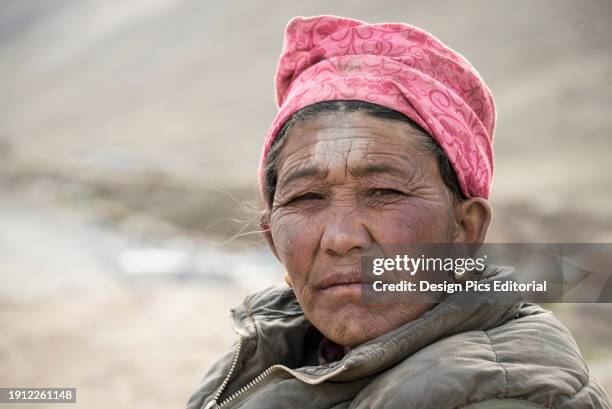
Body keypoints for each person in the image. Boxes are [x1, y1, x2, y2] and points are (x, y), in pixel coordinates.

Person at [187, 15, 611, 409]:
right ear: (273, 239)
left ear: (465, 228)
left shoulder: (505, 394)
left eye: (384, 192)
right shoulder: (265, 352)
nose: (340, 237)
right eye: (306, 198)